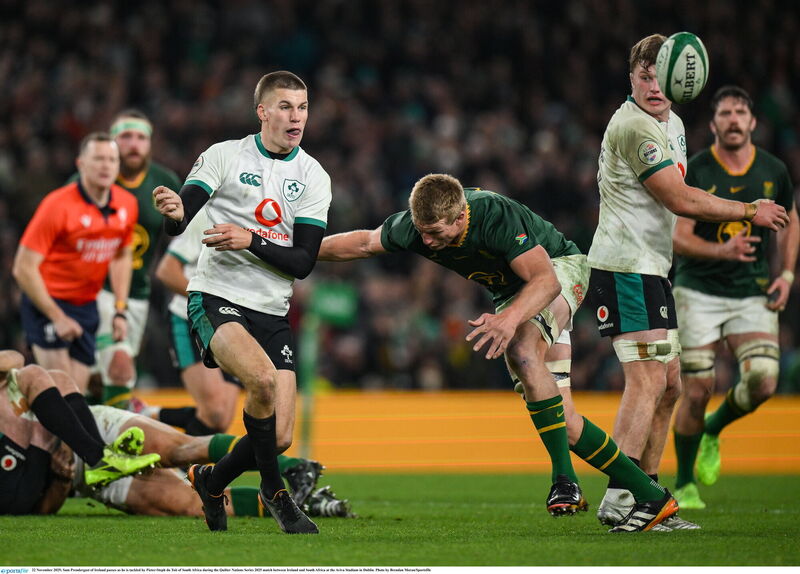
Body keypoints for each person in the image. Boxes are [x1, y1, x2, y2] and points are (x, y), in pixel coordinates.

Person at [318, 172, 688, 533]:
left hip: (559, 270)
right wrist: (302, 252)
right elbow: (364, 243)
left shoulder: (494, 214)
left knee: (522, 348)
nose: (427, 241)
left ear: (460, 217)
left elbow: (545, 280)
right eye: (422, 232)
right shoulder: (417, 228)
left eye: (435, 233)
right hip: (515, 295)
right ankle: (650, 495)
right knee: (565, 422)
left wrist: (509, 319)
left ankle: (564, 480)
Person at [585, 35, 790, 528]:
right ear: (631, 79)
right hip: (624, 267)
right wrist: (748, 210)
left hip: (653, 268)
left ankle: (649, 494)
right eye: (645, 77)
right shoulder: (633, 126)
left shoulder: (672, 124)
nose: (654, 87)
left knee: (671, 385)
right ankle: (620, 497)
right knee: (648, 379)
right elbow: (678, 198)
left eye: (661, 77)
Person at [153, 70, 330, 534]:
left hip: (271, 309)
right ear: (263, 112)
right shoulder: (225, 155)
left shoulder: (314, 176)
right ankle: (276, 493)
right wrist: (174, 214)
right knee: (262, 381)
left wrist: (251, 239)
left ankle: (212, 481)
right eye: (286, 107)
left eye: (303, 108)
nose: (296, 117)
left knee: (281, 436)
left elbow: (303, 261)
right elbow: (183, 213)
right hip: (216, 296)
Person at [671, 86, 799, 509]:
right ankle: (685, 483)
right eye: (724, 113)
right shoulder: (697, 169)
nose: (733, 119)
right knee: (697, 389)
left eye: (740, 112)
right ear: (713, 124)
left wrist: (786, 274)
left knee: (763, 380)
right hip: (697, 290)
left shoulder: (773, 170)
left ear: (752, 122)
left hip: (750, 290)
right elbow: (678, 237)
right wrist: (721, 251)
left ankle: (712, 428)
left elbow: (791, 220)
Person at [13, 132, 139, 393]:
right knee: (63, 393)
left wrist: (119, 309)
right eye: (98, 159)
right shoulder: (57, 205)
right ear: (81, 164)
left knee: (76, 396)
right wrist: (57, 317)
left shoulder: (127, 204)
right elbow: (23, 268)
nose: (105, 166)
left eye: (111, 160)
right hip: (48, 302)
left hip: (86, 306)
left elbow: (121, 255)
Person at [67, 405, 352, 520]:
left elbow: (59, 381)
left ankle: (293, 466)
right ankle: (301, 505)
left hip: (88, 431)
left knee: (183, 449)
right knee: (192, 504)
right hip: (83, 476)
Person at [92, 111, 183, 409]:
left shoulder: (164, 182)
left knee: (104, 378)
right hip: (92, 290)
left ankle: (103, 431)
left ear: (150, 143)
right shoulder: (93, 180)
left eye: (141, 138)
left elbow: (180, 237)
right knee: (117, 368)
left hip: (137, 293)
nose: (134, 144)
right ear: (111, 142)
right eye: (126, 137)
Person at [0, 349, 160, 515]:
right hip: (10, 492)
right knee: (32, 375)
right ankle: (99, 461)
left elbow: (15, 359)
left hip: (27, 467)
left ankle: (101, 457)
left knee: (59, 379)